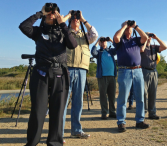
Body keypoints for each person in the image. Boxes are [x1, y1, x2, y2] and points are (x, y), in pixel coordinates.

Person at [19, 3, 77, 146]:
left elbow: (73, 45)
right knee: (38, 110)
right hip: (41, 73)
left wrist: (63, 24)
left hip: (60, 73)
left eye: (55, 12)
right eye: (49, 12)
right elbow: (23, 26)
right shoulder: (38, 31)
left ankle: (55, 142)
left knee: (57, 112)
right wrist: (40, 13)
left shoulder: (64, 30)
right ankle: (32, 142)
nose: (52, 13)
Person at [62, 10, 98, 140]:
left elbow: (95, 34)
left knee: (78, 101)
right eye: (73, 19)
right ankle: (58, 134)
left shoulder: (86, 36)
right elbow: (59, 25)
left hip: (82, 70)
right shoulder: (65, 33)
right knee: (63, 101)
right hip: (66, 69)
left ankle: (76, 130)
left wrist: (83, 19)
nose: (75, 19)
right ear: (69, 21)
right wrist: (68, 16)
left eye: (76, 18)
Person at [113, 20, 149, 132]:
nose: (129, 28)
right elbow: (116, 38)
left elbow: (145, 37)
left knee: (140, 97)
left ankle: (140, 121)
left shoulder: (136, 40)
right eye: (126, 27)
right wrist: (124, 26)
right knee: (122, 98)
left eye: (130, 27)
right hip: (124, 71)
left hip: (138, 70)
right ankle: (121, 122)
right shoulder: (120, 41)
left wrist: (136, 26)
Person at [142, 32, 167, 119]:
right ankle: (143, 113)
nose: (149, 37)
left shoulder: (154, 47)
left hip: (154, 71)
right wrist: (145, 40)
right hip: (144, 70)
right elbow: (141, 50)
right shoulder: (141, 46)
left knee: (153, 93)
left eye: (149, 36)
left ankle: (152, 113)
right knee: (144, 93)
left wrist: (156, 38)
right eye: (147, 35)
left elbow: (164, 47)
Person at [91, 37, 117, 120]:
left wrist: (111, 41)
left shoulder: (111, 51)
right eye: (102, 42)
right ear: (100, 44)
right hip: (102, 77)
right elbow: (93, 52)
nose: (104, 43)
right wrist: (97, 41)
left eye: (105, 41)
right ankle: (104, 113)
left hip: (112, 76)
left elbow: (118, 48)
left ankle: (112, 112)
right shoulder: (99, 52)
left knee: (112, 96)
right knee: (103, 96)